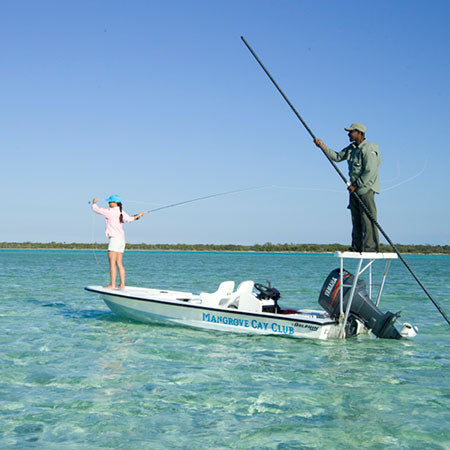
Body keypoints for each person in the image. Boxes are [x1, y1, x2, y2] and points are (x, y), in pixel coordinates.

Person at [314, 122, 381, 252]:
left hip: (366, 189)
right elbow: (337, 157)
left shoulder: (369, 148)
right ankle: (356, 247)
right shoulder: (351, 148)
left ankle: (370, 248)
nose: (348, 134)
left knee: (368, 219)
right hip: (354, 191)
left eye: (351, 131)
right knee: (356, 219)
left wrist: (356, 185)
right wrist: (322, 146)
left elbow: (370, 171)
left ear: (360, 133)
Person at [92, 195, 147, 289]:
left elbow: (96, 209)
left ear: (115, 203)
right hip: (121, 240)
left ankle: (112, 285)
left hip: (114, 240)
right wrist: (139, 215)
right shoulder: (121, 212)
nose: (108, 203)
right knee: (119, 263)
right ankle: (122, 285)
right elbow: (130, 219)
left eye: (110, 202)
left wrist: (94, 203)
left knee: (112, 263)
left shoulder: (110, 212)